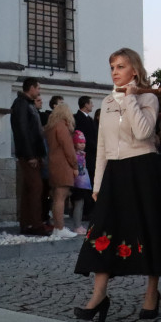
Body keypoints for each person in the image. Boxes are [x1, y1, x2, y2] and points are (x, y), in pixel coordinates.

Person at [74, 48, 161, 322]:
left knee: (148, 229)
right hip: (115, 174)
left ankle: (152, 293)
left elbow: (143, 133)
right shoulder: (106, 102)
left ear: (134, 70)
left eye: (120, 66)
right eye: (112, 67)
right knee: (104, 231)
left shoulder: (148, 99)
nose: (115, 72)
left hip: (143, 169)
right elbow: (104, 146)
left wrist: (131, 100)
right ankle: (99, 295)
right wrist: (97, 184)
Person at [10, 78, 51, 236]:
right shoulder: (21, 104)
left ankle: (28, 223)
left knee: (30, 188)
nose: (39, 91)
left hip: (34, 154)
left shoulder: (27, 104)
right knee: (36, 188)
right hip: (29, 155)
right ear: (31, 88)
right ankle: (35, 224)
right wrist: (30, 155)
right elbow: (22, 132)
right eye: (38, 88)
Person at [44, 102, 78, 238]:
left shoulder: (51, 127)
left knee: (56, 197)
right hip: (63, 165)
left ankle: (57, 228)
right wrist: (75, 166)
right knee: (60, 197)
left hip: (53, 163)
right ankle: (60, 227)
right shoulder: (62, 127)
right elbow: (68, 149)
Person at [74, 95, 99, 225]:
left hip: (92, 156)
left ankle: (91, 210)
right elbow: (83, 138)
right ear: (85, 104)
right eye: (90, 103)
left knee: (92, 183)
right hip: (85, 156)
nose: (92, 105)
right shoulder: (78, 118)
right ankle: (86, 211)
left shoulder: (88, 118)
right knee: (85, 185)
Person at [71, 130, 91, 236]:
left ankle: (78, 225)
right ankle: (77, 225)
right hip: (77, 183)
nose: (82, 145)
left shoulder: (82, 154)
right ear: (74, 143)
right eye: (80, 142)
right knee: (78, 204)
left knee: (81, 203)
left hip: (83, 183)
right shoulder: (74, 155)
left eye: (84, 143)